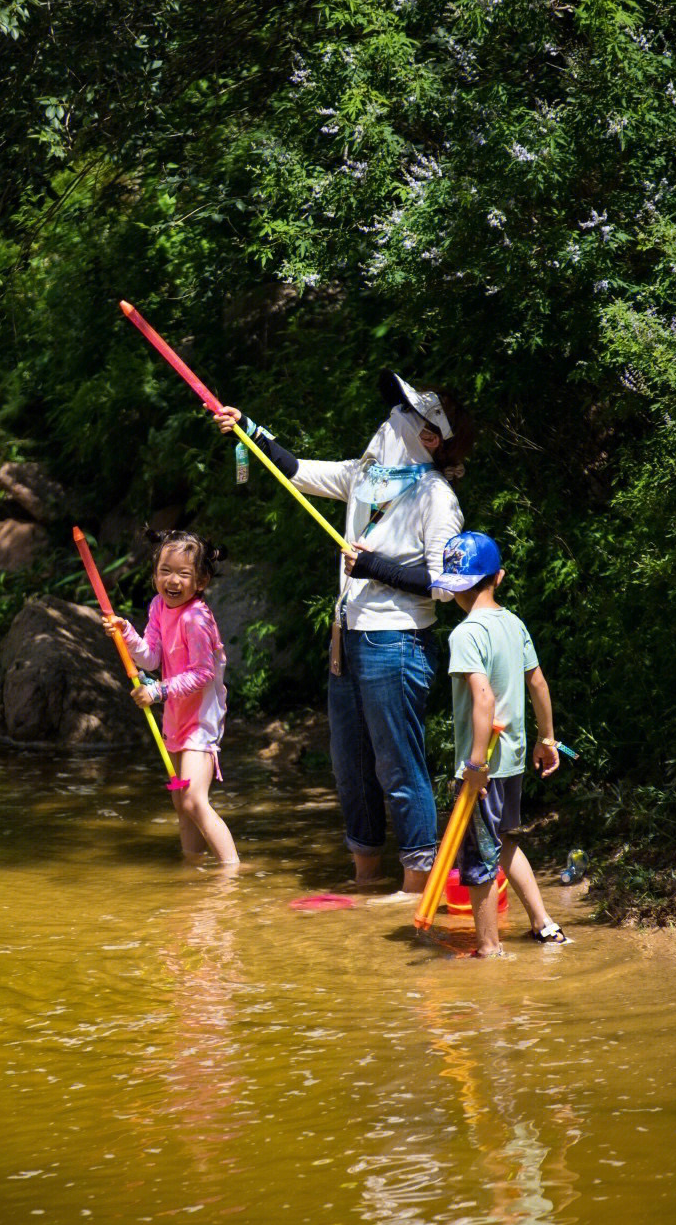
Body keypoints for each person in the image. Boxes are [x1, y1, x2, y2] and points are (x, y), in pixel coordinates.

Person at [215, 372, 474, 892]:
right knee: (351, 768)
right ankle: (363, 877)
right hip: (347, 639)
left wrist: (375, 567)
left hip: (397, 642)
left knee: (398, 765)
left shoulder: (436, 498)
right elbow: (295, 471)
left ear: (431, 438)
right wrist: (249, 430)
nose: (389, 419)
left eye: (404, 414)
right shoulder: (367, 476)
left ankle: (414, 887)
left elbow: (446, 586)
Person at [430, 530, 569, 955]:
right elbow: (539, 683)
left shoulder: (466, 633)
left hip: (484, 767)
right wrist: (548, 740)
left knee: (478, 860)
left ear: (454, 588)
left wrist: (473, 769)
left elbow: (484, 698)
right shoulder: (514, 623)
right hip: (510, 762)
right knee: (504, 842)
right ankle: (544, 926)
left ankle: (489, 949)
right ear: (500, 577)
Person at [104, 530, 239, 867]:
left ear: (202, 580)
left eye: (183, 573)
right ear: (154, 574)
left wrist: (157, 690)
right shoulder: (157, 607)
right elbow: (150, 657)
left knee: (194, 799)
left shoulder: (196, 618)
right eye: (165, 571)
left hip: (200, 723)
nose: (172, 580)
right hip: (175, 720)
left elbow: (202, 673)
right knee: (180, 802)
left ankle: (232, 873)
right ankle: (192, 872)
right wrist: (127, 635)